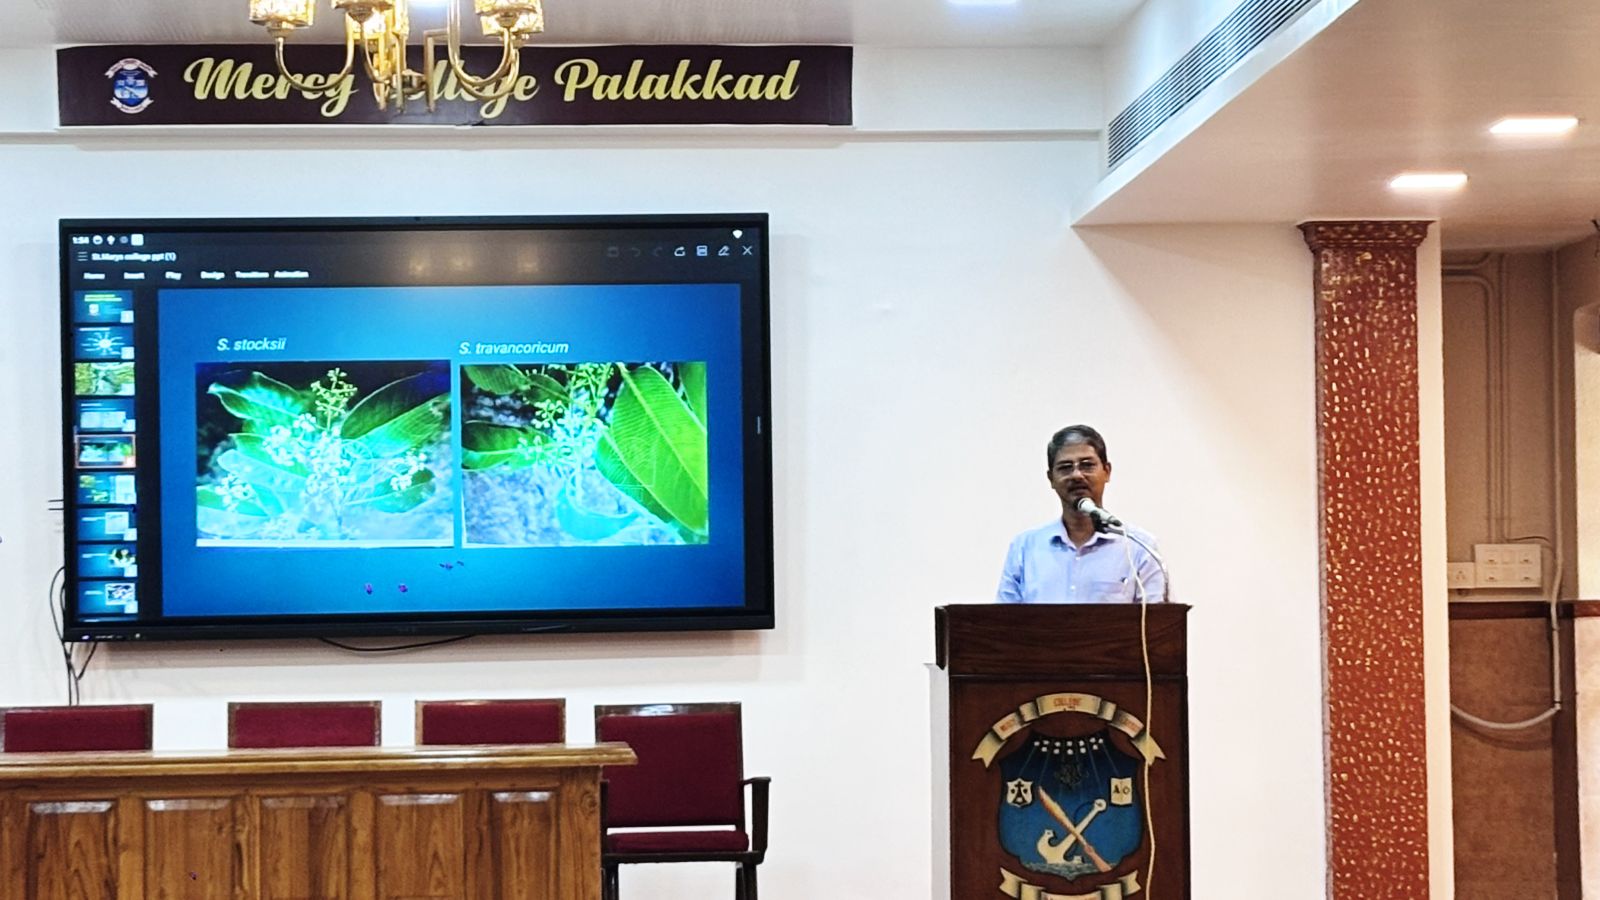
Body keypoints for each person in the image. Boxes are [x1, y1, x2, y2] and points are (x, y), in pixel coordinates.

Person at [996, 424, 1166, 604]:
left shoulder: (1138, 547)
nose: (1077, 475)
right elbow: (1003, 619)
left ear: (1107, 471)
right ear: (1051, 478)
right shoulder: (1025, 548)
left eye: (1087, 465)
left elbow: (1158, 618)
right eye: (1065, 467)